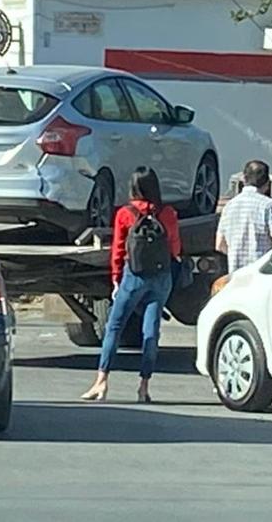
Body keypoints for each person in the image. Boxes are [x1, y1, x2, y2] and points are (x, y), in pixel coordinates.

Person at [81, 167, 181, 404]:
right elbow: (175, 247)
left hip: (133, 276)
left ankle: (101, 381)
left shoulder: (125, 214)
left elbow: (118, 249)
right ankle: (143, 387)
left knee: (114, 326)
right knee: (151, 331)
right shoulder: (168, 213)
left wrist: (116, 278)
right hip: (160, 277)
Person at [216, 160, 272, 273]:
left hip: (236, 275)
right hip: (261, 273)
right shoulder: (268, 205)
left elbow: (220, 245)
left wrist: (234, 255)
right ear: (267, 183)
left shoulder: (229, 206)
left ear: (244, 179)